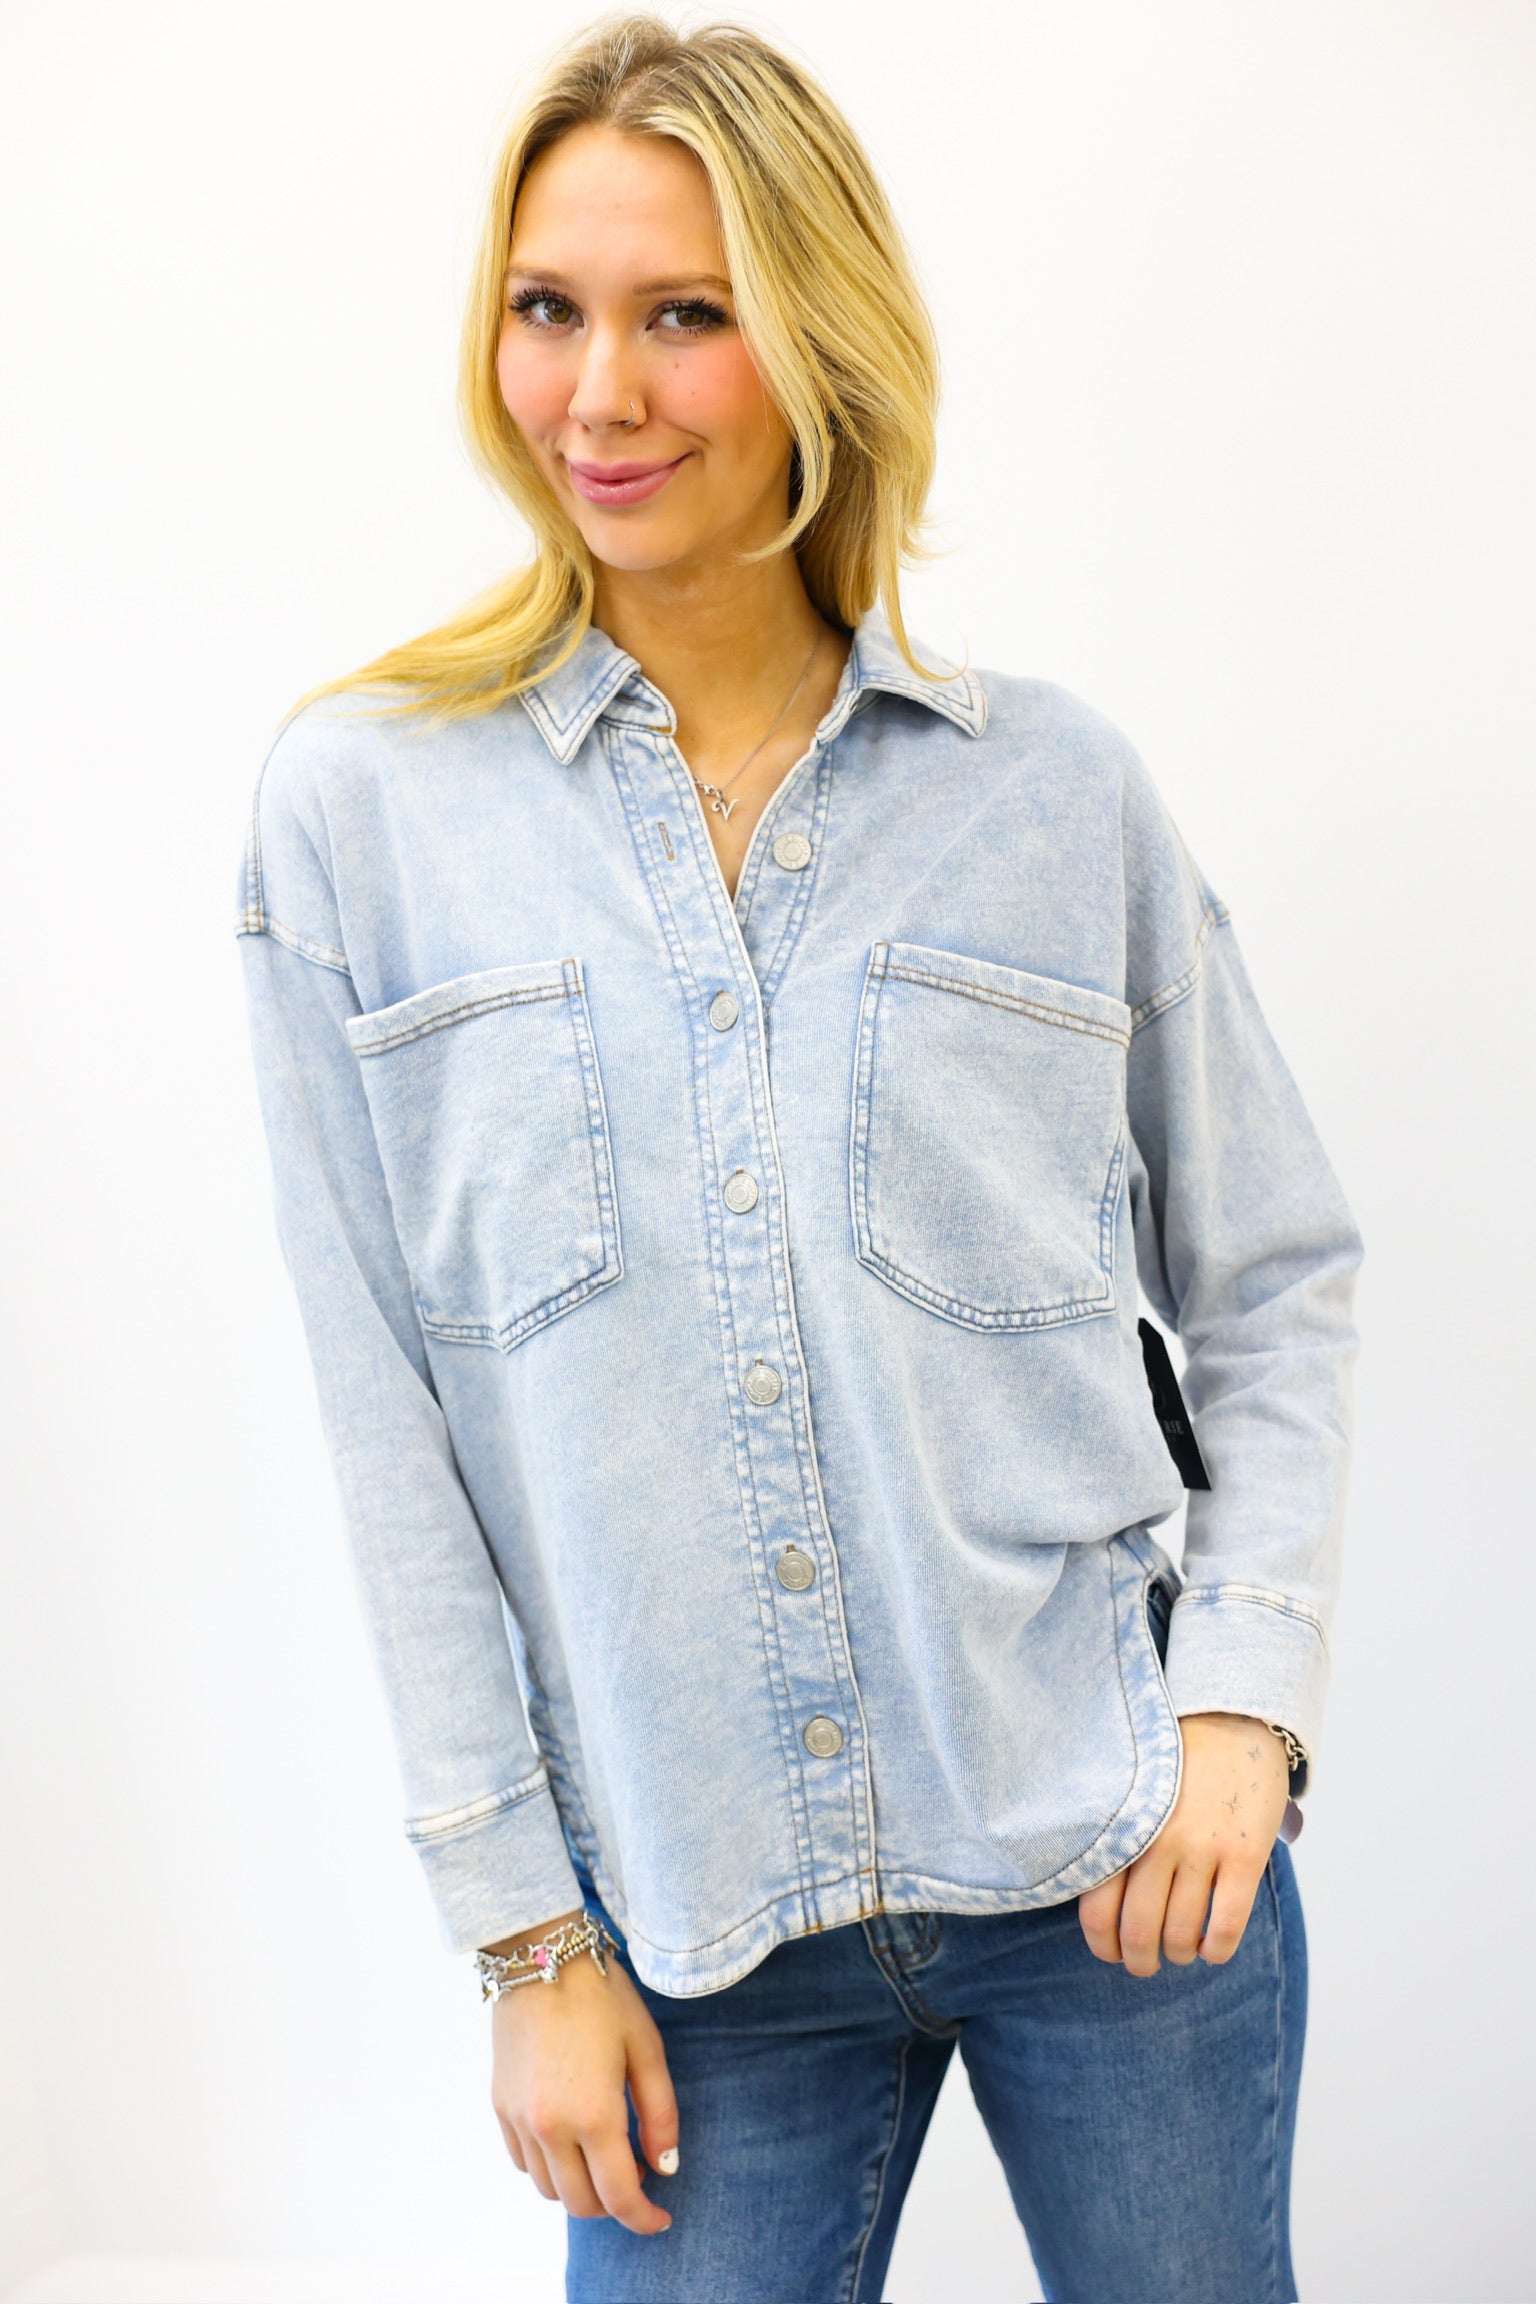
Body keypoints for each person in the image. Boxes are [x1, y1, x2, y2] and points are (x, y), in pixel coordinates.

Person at [238, 18, 1361, 2301]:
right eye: (549, 309)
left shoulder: (1052, 792)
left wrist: (1241, 1706)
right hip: (679, 1939)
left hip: (1111, 1865)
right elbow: (391, 1418)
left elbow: (1277, 1276)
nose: (599, 396)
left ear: (819, 335)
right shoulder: (362, 813)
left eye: (686, 313)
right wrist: (517, 1934)